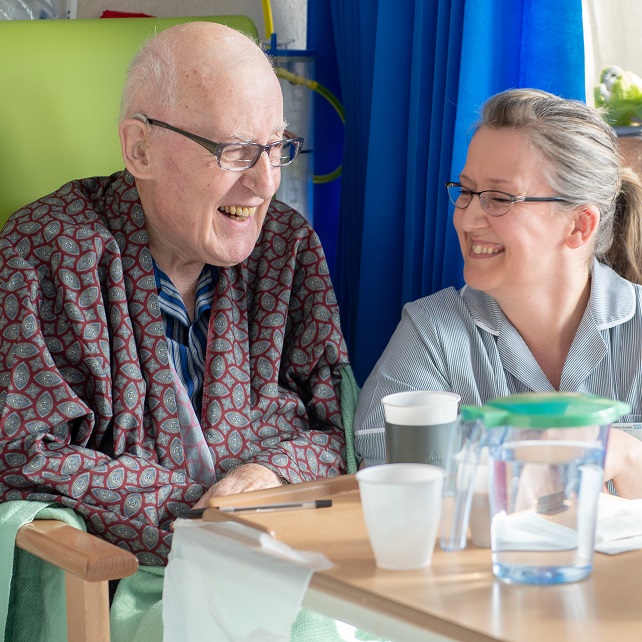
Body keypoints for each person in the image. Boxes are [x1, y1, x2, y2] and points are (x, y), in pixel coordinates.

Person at [0, 22, 353, 566]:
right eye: (235, 150)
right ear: (140, 149)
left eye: (275, 147)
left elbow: (339, 425)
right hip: (124, 579)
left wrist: (270, 475)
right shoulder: (43, 256)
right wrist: (203, 515)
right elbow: (21, 454)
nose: (265, 184)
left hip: (294, 551)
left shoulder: (287, 248)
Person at [354, 88, 642, 498]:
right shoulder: (430, 335)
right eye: (467, 191)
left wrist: (625, 454)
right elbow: (389, 488)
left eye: (500, 199)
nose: (468, 219)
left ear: (579, 226)